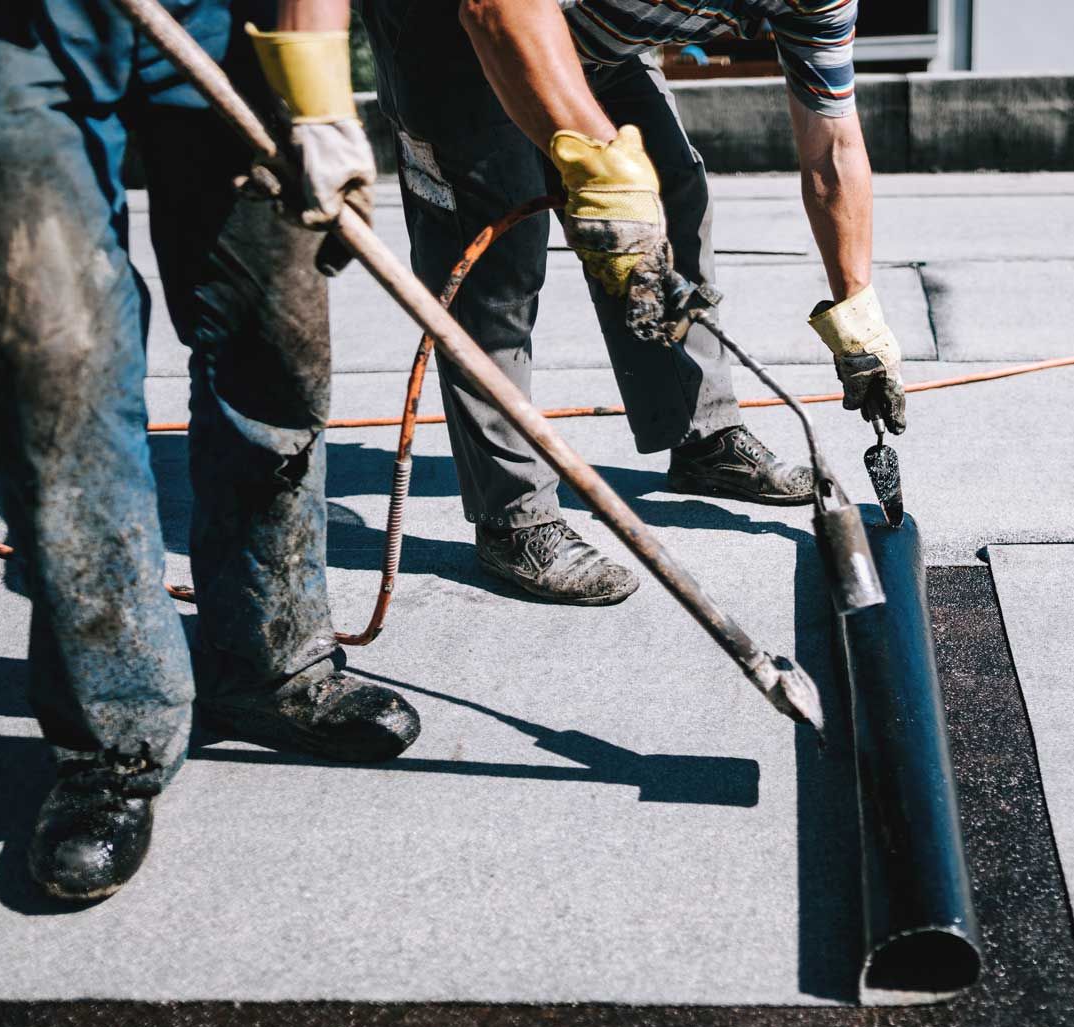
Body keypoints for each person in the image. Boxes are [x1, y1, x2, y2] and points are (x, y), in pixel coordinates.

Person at [0, 0, 418, 902]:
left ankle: (270, 662)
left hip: (230, 14)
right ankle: (115, 737)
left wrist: (315, 81)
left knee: (276, 342)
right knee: (57, 366)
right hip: (9, 23)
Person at [361, 0, 908, 606]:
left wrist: (857, 318)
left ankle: (702, 436)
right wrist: (600, 173)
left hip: (591, 36)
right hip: (453, 29)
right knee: (494, 265)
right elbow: (492, 9)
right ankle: (513, 516)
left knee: (669, 195)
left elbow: (832, 153)